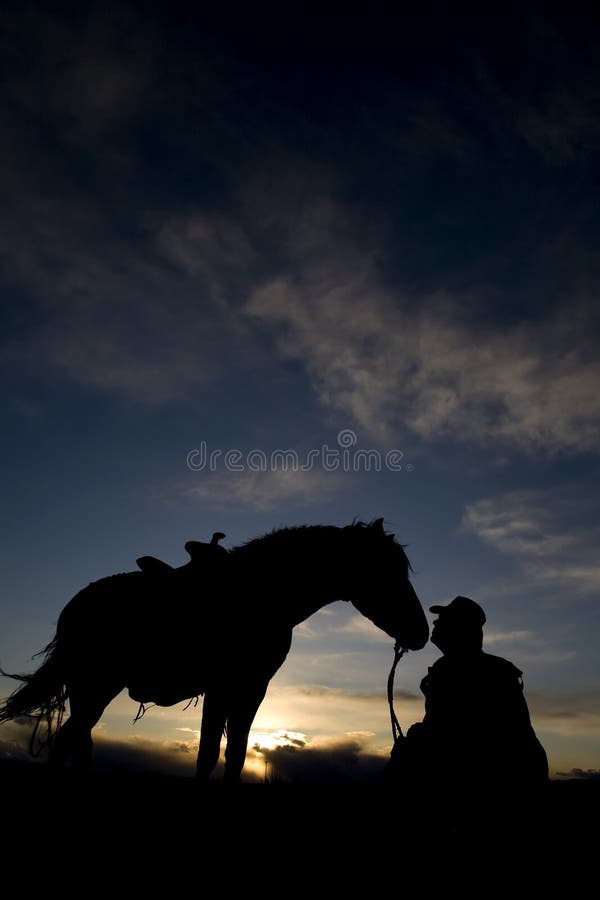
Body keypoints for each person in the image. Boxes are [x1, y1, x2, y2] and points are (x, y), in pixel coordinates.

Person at [385, 596, 548, 797]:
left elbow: (465, 740)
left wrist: (416, 742)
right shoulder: (454, 668)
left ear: (461, 628)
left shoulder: (481, 673)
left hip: (491, 788)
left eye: (444, 618)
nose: (435, 622)